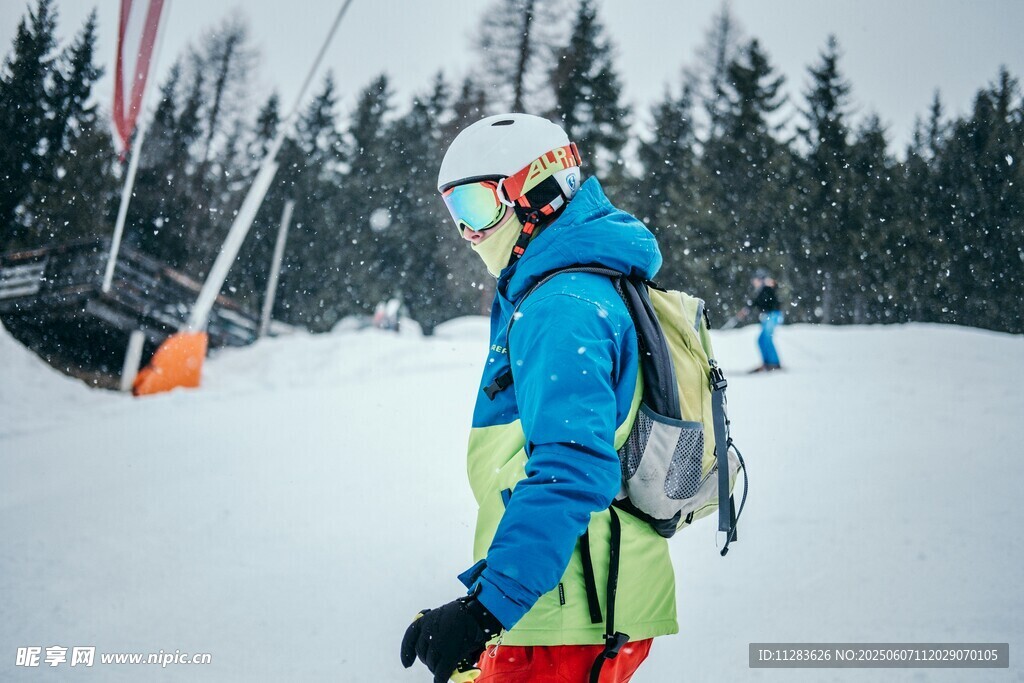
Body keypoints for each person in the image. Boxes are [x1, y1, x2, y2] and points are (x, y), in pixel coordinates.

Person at [400, 114, 677, 682]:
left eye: (477, 210)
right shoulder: (583, 288)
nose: (470, 235)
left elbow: (571, 467)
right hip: (580, 599)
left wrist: (486, 609)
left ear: (539, 194)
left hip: (568, 615)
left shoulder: (563, 306)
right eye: (457, 216)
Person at [737, 269, 784, 372]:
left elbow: (775, 287)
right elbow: (755, 302)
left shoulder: (767, 288)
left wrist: (773, 283)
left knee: (767, 338)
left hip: (773, 315)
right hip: (767, 316)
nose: (754, 282)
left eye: (755, 280)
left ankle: (774, 363)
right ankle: (767, 363)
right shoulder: (761, 290)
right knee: (761, 339)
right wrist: (746, 310)